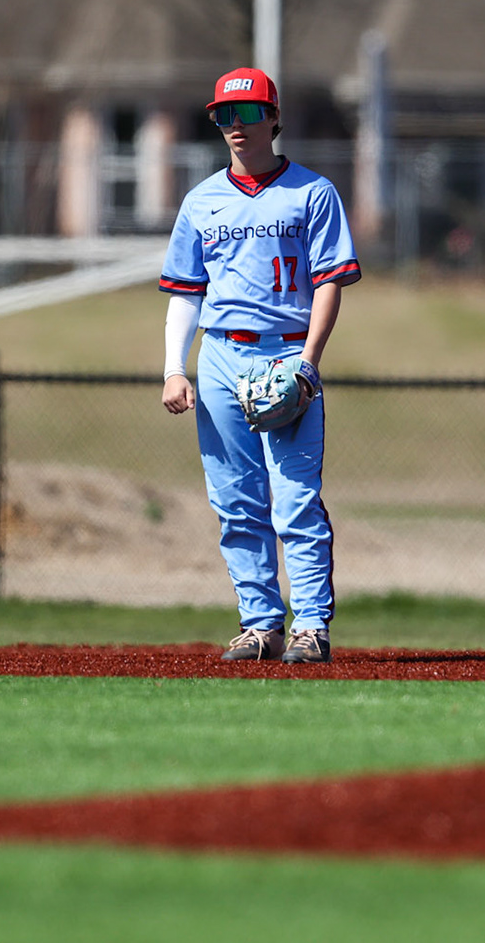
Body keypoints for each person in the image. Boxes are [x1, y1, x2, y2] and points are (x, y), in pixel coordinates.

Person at [158, 67, 361, 664]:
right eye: (224, 115)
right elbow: (186, 293)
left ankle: (311, 626)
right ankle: (261, 623)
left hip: (286, 345)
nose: (236, 126)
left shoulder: (312, 193)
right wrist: (175, 367)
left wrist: (308, 362)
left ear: (274, 117)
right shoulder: (201, 200)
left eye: (247, 114)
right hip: (220, 352)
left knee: (295, 497)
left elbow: (330, 283)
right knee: (234, 499)